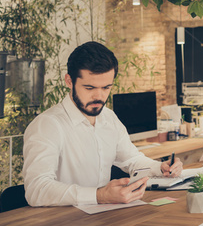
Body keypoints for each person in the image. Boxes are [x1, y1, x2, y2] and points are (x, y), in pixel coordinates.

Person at [23, 41, 183, 207]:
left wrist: (161, 168)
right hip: (62, 225)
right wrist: (99, 195)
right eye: (89, 88)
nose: (98, 97)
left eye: (106, 87)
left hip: (103, 218)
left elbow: (132, 159)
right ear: (69, 81)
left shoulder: (109, 118)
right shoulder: (47, 125)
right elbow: (37, 189)